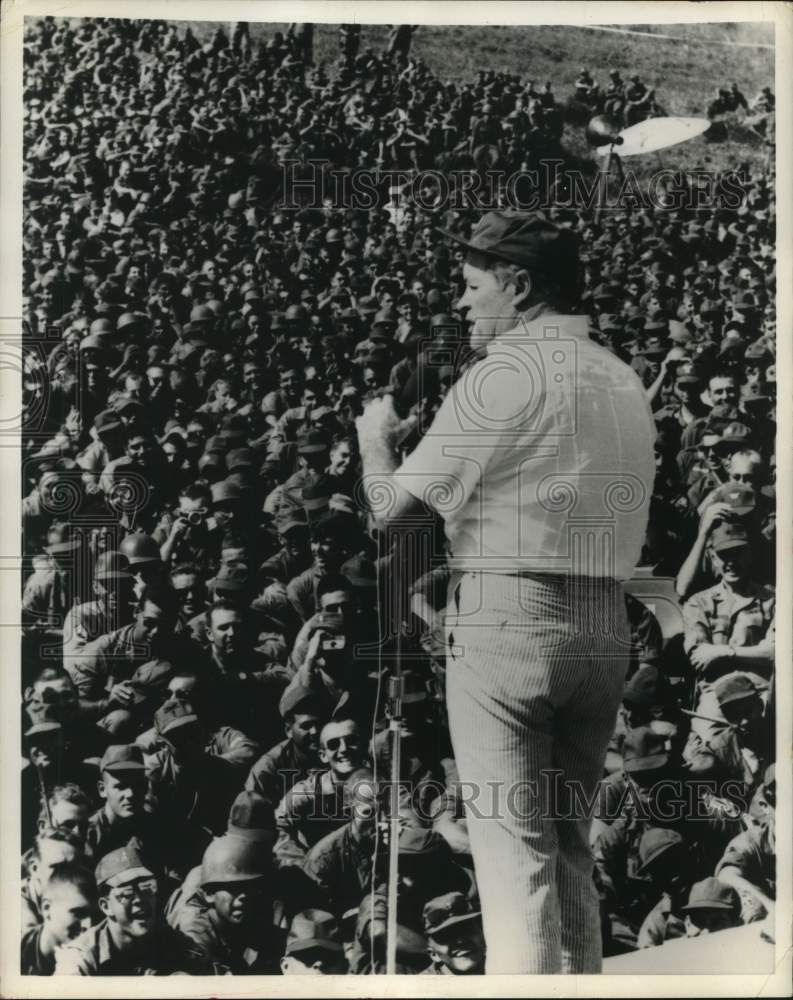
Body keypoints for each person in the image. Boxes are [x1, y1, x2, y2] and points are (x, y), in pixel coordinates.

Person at [356, 210, 655, 973]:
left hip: (509, 620)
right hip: (602, 623)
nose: (462, 305)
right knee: (566, 851)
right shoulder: (620, 375)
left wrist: (374, 443)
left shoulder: (504, 372)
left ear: (518, 287)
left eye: (472, 287)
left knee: (513, 865)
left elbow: (395, 515)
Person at [54, 844, 199, 974]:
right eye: (126, 893)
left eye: (146, 888)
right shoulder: (81, 958)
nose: (139, 900)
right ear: (106, 906)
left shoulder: (174, 942)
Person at [21, 861, 98, 975]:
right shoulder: (12, 956)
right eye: (78, 913)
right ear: (47, 909)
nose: (89, 925)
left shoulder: (91, 958)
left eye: (94, 916)